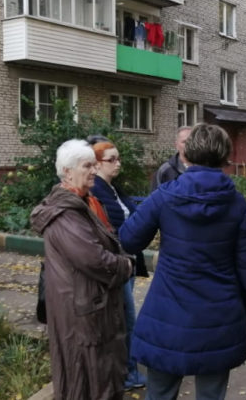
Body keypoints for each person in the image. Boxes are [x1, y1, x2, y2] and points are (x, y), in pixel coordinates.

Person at [119, 123, 246, 400]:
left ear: (186, 155)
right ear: (225, 157)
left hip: (166, 315)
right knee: (211, 395)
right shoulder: (237, 204)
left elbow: (128, 240)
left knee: (159, 393)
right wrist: (245, 306)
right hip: (219, 315)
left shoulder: (164, 196)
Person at [30, 139, 134, 400]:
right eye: (87, 166)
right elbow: (94, 259)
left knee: (99, 373)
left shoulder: (85, 202)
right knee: (85, 377)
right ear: (68, 172)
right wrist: (126, 265)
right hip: (81, 310)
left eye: (94, 165)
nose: (93, 171)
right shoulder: (66, 213)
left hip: (89, 304)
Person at [89, 141, 149, 391]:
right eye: (112, 159)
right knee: (126, 320)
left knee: (124, 318)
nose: (118, 164)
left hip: (128, 261)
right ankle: (128, 374)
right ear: (97, 164)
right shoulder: (97, 192)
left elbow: (134, 214)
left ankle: (126, 371)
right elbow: (110, 228)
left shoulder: (113, 189)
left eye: (118, 158)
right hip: (117, 264)